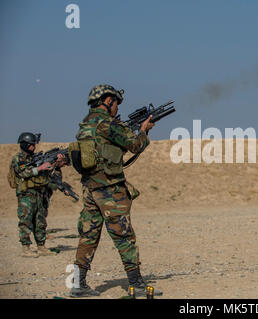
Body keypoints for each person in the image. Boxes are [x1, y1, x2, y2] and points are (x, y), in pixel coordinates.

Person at [69, 84, 159, 298]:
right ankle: (137, 286)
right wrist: (143, 131)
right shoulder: (107, 123)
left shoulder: (85, 125)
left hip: (90, 189)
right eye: (116, 103)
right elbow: (134, 145)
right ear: (108, 100)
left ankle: (78, 284)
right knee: (124, 236)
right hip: (110, 189)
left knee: (88, 236)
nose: (117, 108)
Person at [10, 132, 67, 257]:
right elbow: (22, 173)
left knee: (40, 221)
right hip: (26, 194)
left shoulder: (35, 158)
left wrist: (54, 163)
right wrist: (40, 168)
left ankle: (41, 246)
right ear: (24, 145)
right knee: (26, 220)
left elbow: (46, 174)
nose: (33, 147)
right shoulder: (18, 159)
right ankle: (26, 248)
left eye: (34, 145)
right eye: (31, 145)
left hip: (39, 193)